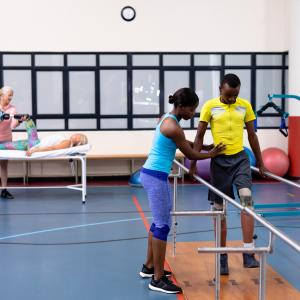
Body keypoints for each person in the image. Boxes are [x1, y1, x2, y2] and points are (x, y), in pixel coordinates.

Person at [139, 88, 225, 294]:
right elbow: (189, 153)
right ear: (182, 107)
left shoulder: (168, 120)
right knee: (162, 226)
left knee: (158, 223)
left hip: (151, 173)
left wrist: (205, 146)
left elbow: (183, 143)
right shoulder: (173, 126)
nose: (193, 114)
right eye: (192, 109)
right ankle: (157, 279)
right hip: (156, 177)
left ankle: (149, 267)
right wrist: (212, 153)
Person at [190, 73, 266, 275]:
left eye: (235, 95)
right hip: (219, 162)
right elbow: (199, 136)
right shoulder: (209, 106)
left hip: (240, 159)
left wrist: (261, 162)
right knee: (219, 209)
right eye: (228, 95)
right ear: (220, 90)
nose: (232, 99)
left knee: (247, 202)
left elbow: (251, 135)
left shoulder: (245, 106)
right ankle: (222, 256)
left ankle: (248, 253)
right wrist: (194, 163)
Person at [0, 118, 88, 156]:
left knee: (29, 122)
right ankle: (26, 119)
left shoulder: (67, 142)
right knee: (6, 145)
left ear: (78, 139)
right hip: (32, 144)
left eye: (78, 135)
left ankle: (26, 119)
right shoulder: (67, 142)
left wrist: (35, 150)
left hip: (35, 144)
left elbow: (52, 148)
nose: (76, 134)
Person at [0, 86, 26, 199]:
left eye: (12, 95)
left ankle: (4, 190)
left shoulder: (12, 108)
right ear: (1, 95)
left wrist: (20, 121)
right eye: (9, 95)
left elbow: (12, 126)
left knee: (3, 165)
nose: (11, 97)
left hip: (6, 139)